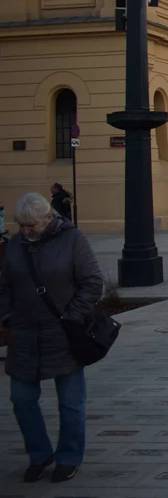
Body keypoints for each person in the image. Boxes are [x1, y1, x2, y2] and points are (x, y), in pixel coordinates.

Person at [0, 193, 103, 484]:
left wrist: (72, 317)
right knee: (21, 399)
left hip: (63, 335)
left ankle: (69, 457)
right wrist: (7, 317)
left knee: (70, 403)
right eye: (21, 225)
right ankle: (39, 454)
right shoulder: (18, 245)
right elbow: (4, 285)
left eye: (31, 225)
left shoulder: (73, 240)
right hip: (23, 334)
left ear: (48, 218)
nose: (26, 231)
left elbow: (92, 283)